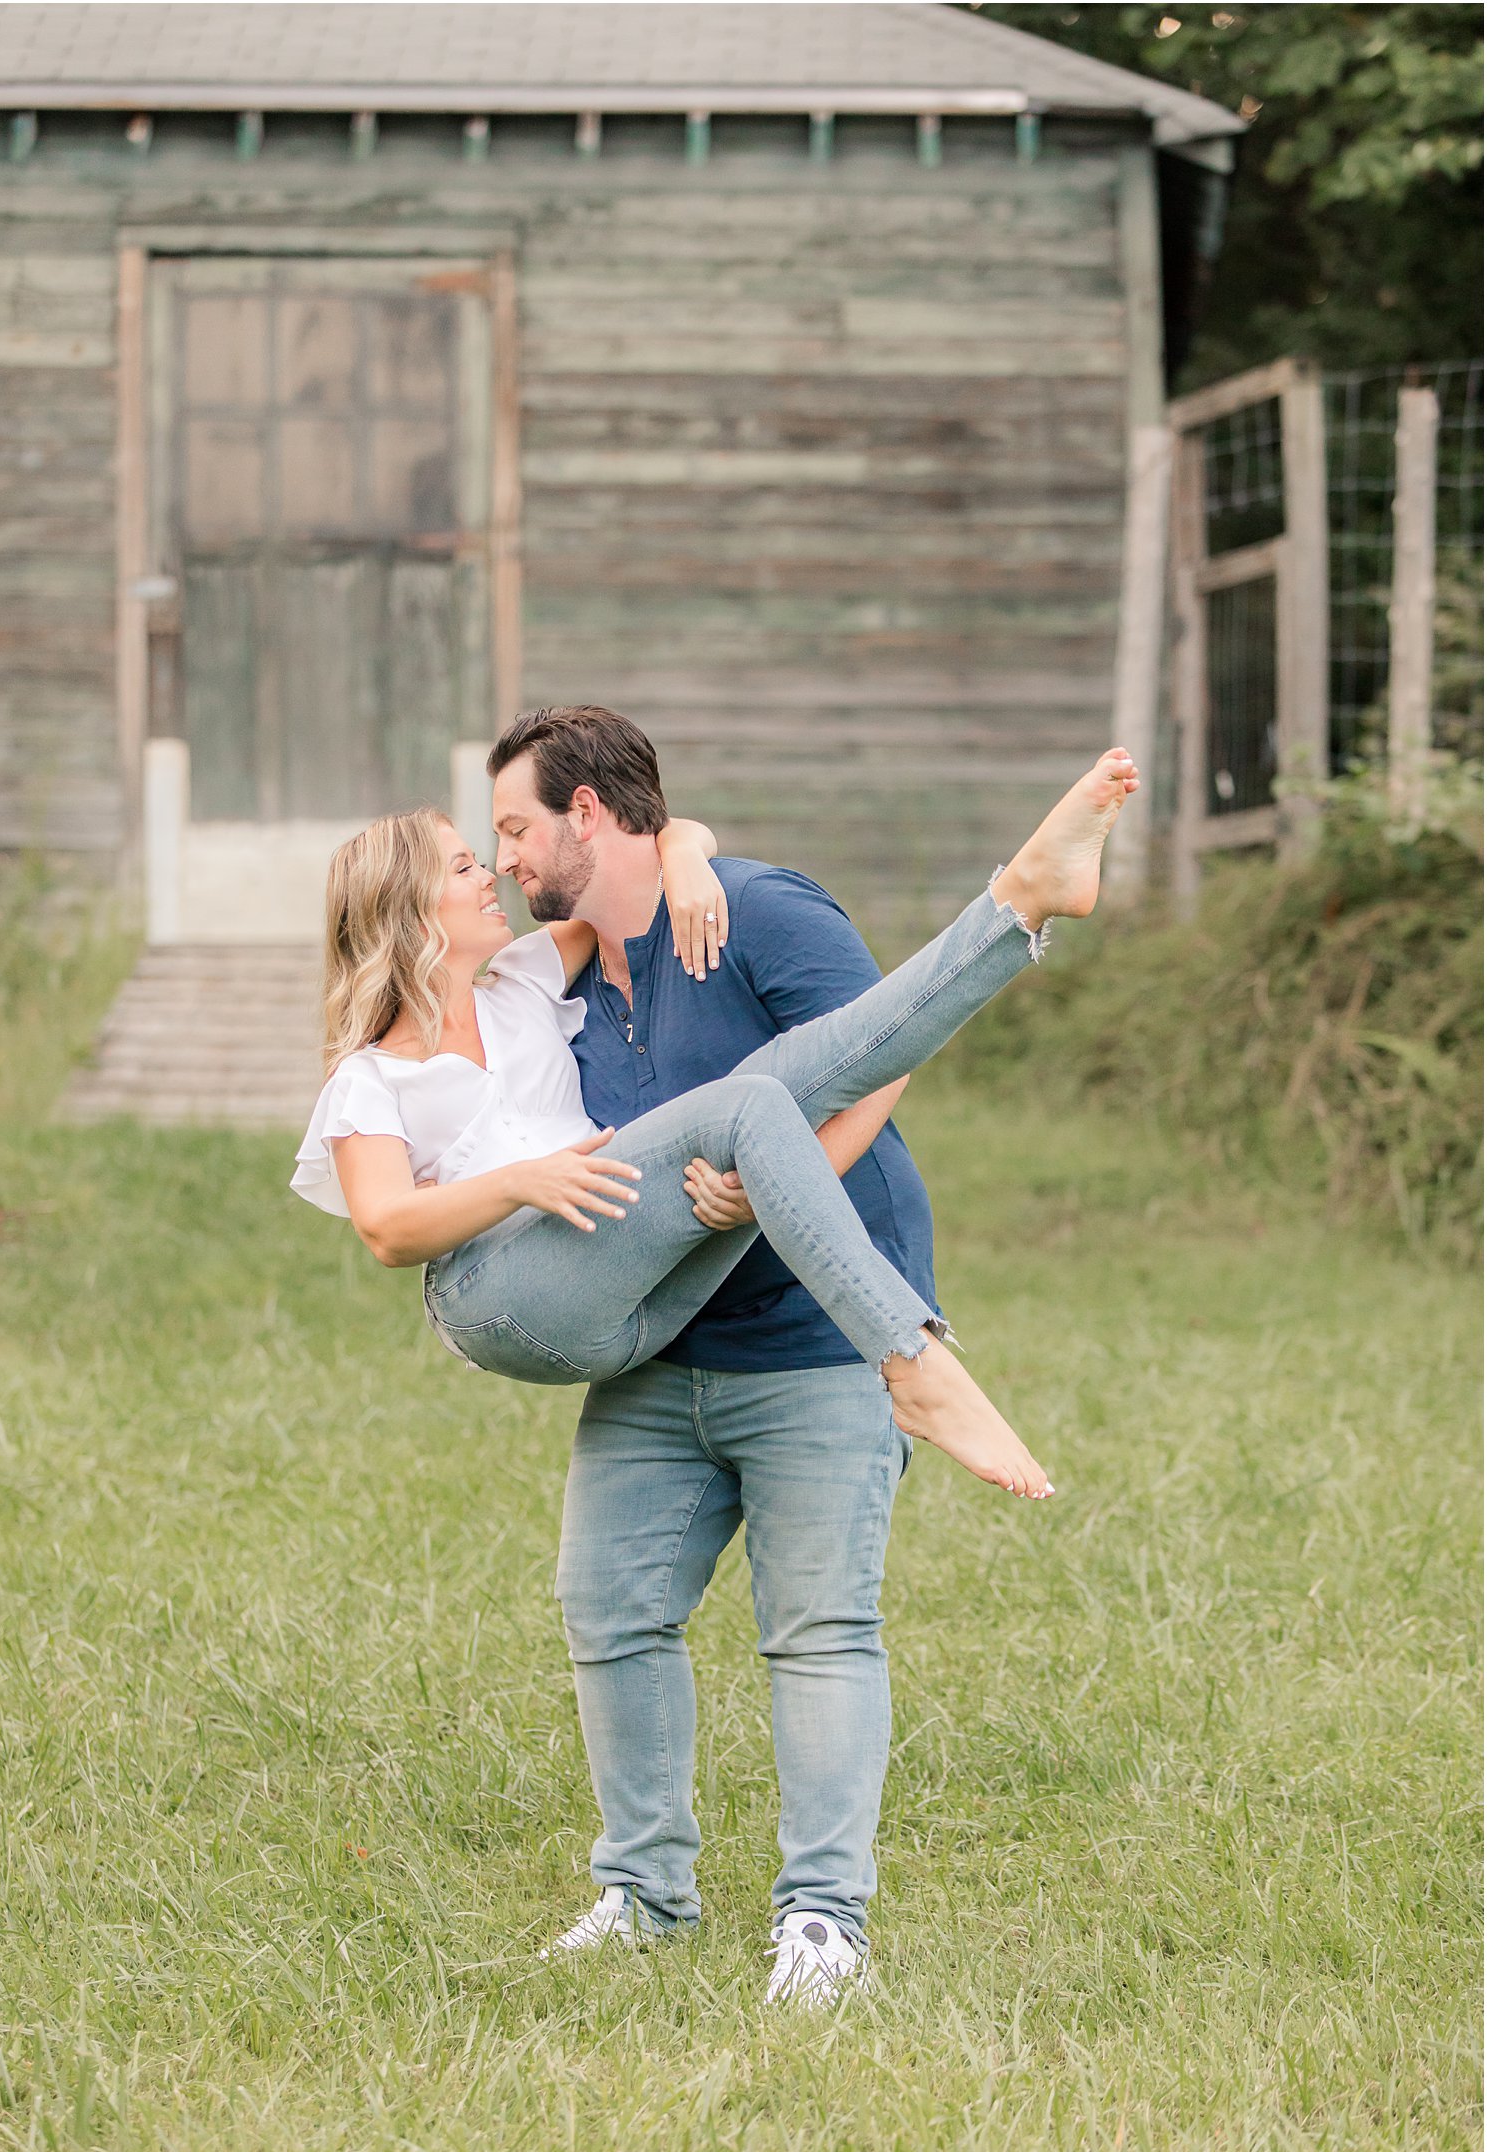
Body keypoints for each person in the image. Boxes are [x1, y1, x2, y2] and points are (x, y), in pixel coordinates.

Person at [293, 709, 1137, 1999]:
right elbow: (383, 1224)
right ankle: (914, 1350)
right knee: (754, 1106)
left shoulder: (690, 930)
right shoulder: (473, 1019)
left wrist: (685, 850)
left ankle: (812, 1921)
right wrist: (533, 1173)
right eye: (475, 856)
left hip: (731, 1328)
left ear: (585, 816)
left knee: (783, 1625)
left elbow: (869, 1056)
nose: (501, 865)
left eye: (510, 833)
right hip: (561, 1307)